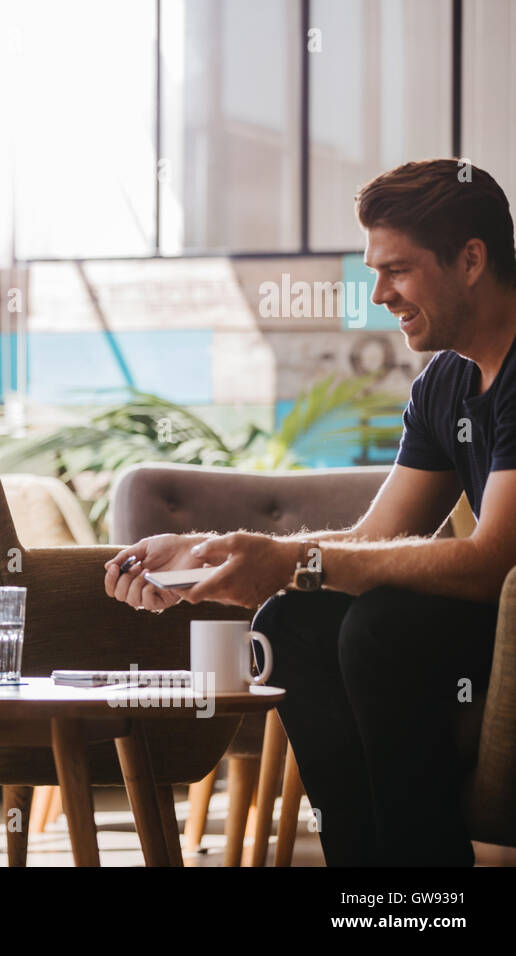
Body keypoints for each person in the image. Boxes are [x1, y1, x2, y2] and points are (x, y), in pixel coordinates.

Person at [103, 159, 516, 866]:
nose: (379, 292)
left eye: (399, 270)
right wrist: (211, 552)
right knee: (292, 620)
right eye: (374, 270)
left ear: (471, 259)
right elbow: (374, 539)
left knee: (379, 629)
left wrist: (292, 562)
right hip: (491, 620)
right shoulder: (446, 381)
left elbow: (490, 561)